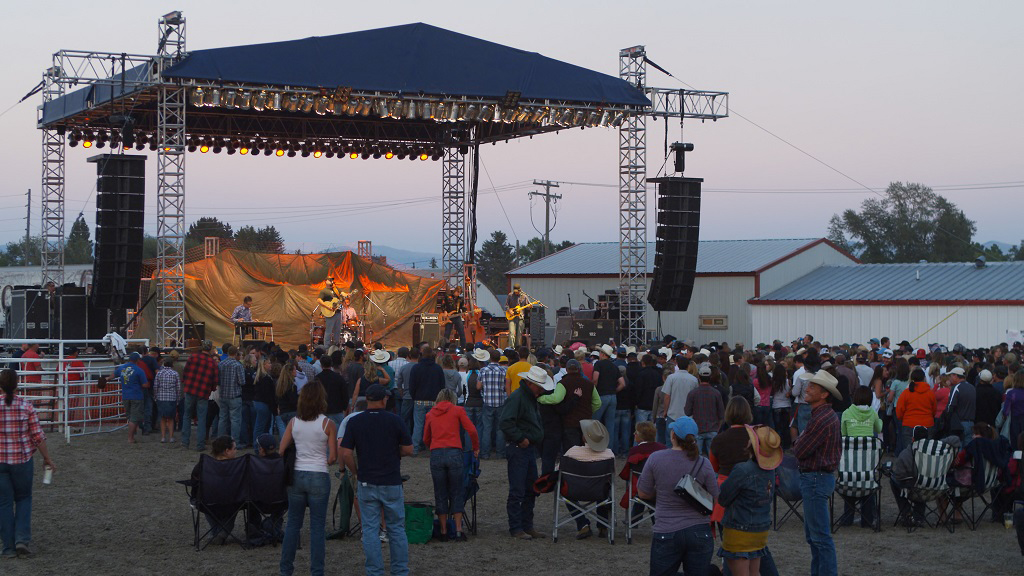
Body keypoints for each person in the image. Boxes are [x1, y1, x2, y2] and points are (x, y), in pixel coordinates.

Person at [340, 384, 412, 576]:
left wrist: (355, 472)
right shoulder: (395, 420)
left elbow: (346, 453)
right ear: (384, 399)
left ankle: (374, 571)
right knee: (396, 529)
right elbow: (408, 449)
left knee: (370, 530)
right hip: (391, 481)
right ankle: (400, 571)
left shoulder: (355, 422)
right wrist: (392, 453)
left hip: (366, 481)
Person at [637, 416, 719, 576]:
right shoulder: (703, 463)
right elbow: (716, 498)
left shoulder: (656, 458)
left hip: (666, 529)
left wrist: (661, 493)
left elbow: (643, 492)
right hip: (699, 530)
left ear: (672, 435)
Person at [279, 380, 337, 576]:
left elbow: (281, 450)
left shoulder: (293, 422)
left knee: (293, 524)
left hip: (296, 474)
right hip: (319, 474)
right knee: (317, 527)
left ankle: (286, 570)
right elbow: (332, 457)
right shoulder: (328, 424)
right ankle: (316, 571)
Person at [0, 368, 55, 559]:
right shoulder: (26, 405)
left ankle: (7, 547)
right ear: (17, 385)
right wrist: (47, 459)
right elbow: (38, 436)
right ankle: (21, 539)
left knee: (4, 503)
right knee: (24, 498)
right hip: (22, 460)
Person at [792, 370, 842, 576]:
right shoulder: (823, 416)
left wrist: (798, 442)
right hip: (818, 477)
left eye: (812, 387)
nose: (808, 389)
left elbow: (799, 450)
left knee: (819, 537)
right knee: (816, 537)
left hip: (815, 478)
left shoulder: (820, 419)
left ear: (824, 394)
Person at [718, 425, 782, 576]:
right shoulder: (770, 471)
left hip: (739, 531)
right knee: (754, 572)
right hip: (760, 531)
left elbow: (723, 498)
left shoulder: (742, 470)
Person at [500, 365, 553, 540]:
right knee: (518, 490)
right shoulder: (518, 398)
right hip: (519, 448)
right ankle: (517, 527)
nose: (541, 390)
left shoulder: (525, 396)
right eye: (540, 387)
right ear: (531, 384)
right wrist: (520, 438)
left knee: (530, 488)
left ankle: (525, 526)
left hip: (526, 447)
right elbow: (506, 422)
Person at [423, 388, 479, 541]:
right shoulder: (458, 410)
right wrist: (476, 448)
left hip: (437, 453)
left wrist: (433, 445)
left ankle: (443, 530)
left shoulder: (430, 414)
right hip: (454, 452)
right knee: (457, 491)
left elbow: (425, 438)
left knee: (440, 492)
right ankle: (459, 530)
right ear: (453, 399)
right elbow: (472, 430)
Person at [837, 386, 883, 528]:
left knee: (850, 479)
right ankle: (867, 518)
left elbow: (843, 434)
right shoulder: (873, 413)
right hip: (868, 463)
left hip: (849, 465)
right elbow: (879, 429)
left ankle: (848, 517)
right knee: (867, 481)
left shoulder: (846, 413)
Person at [562, 419, 615, 540]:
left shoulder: (572, 452)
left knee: (564, 490)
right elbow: (612, 476)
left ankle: (583, 524)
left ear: (584, 437)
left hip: (574, 490)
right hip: (599, 492)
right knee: (604, 487)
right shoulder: (609, 454)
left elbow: (560, 471)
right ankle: (603, 525)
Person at [190, 435, 240, 545]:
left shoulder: (203, 465)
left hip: (207, 503)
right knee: (236, 503)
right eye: (235, 448)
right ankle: (221, 534)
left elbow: (194, 482)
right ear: (227, 451)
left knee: (204, 499)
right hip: (231, 502)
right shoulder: (237, 466)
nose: (237, 451)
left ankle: (216, 533)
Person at [619, 420, 666, 522]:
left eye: (636, 432)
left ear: (641, 436)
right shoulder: (663, 449)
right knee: (647, 483)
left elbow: (626, 473)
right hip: (661, 486)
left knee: (638, 482)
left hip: (641, 488)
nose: (634, 434)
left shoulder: (634, 451)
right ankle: (636, 519)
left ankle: (634, 519)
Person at [182, 341, 220, 452]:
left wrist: (186, 382)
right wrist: (211, 388)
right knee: (202, 418)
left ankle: (185, 442)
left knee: (187, 416)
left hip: (190, 390)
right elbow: (215, 380)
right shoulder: (212, 363)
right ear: (210, 349)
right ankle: (200, 444)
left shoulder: (192, 358)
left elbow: (185, 372)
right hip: (203, 393)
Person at [409, 344, 445, 454]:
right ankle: (433, 448)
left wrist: (414, 396)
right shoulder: (438, 369)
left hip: (419, 399)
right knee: (433, 425)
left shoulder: (416, 368)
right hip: (434, 400)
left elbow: (412, 385)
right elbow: (442, 385)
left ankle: (415, 448)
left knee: (418, 425)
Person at [685, 363, 725, 455]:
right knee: (713, 458)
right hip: (712, 429)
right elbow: (721, 414)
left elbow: (687, 412)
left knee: (697, 458)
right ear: (710, 377)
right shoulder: (716, 393)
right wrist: (717, 429)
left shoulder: (693, 393)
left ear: (699, 377)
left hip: (698, 429)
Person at [895, 369, 936, 448]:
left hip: (909, 425)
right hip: (927, 424)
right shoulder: (930, 393)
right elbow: (934, 410)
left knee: (909, 452)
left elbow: (899, 411)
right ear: (924, 378)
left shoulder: (906, 393)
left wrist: (903, 419)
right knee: (926, 450)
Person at [478, 349, 508, 459]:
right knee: (500, 429)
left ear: (490, 358)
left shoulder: (483, 370)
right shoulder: (503, 371)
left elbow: (478, 386)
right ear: (499, 359)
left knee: (487, 428)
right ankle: (500, 453)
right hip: (500, 401)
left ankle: (485, 453)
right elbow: (506, 386)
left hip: (487, 401)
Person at [114, 352, 148, 444]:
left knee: (129, 416)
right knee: (134, 417)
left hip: (125, 395)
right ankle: (130, 437)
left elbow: (113, 375)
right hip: (136, 395)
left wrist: (106, 379)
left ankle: (132, 433)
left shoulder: (122, 368)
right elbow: (145, 384)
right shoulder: (139, 370)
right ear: (137, 360)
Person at [218, 345, 245, 447]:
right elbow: (242, 381)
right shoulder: (238, 365)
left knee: (222, 419)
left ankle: (220, 441)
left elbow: (218, 380)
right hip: (234, 395)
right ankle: (235, 442)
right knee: (235, 420)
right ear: (236, 353)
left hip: (223, 394)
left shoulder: (221, 364)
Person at [154, 358, 182, 444]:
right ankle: (171, 437)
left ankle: (163, 437)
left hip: (161, 397)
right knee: (170, 418)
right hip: (171, 398)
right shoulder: (175, 374)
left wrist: (155, 397)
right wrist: (178, 399)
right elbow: (178, 388)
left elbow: (155, 386)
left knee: (162, 418)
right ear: (172, 365)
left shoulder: (159, 373)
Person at [315, 354, 347, 429]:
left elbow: (314, 395)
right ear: (331, 364)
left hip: (322, 410)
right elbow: (344, 393)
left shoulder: (317, 379)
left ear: (321, 365)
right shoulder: (338, 378)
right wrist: (344, 407)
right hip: (337, 410)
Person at [946, 366, 976, 443]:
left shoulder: (956, 388)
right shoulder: (972, 387)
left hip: (959, 424)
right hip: (971, 423)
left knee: (958, 448)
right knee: (968, 449)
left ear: (956, 376)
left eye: (951, 375)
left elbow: (950, 406)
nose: (950, 378)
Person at [252, 357, 278, 445]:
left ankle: (262, 444)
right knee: (261, 426)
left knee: (262, 425)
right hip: (264, 404)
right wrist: (274, 407)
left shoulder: (260, 377)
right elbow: (268, 394)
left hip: (260, 403)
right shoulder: (265, 378)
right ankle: (258, 445)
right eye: (269, 363)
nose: (270, 365)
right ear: (264, 365)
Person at [318, 278, 343, 349]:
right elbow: (319, 300)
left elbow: (342, 293)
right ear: (325, 281)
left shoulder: (336, 289)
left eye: (332, 280)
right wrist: (327, 307)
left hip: (338, 312)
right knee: (329, 330)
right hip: (330, 313)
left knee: (337, 330)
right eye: (329, 280)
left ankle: (336, 345)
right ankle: (326, 347)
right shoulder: (324, 291)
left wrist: (348, 294)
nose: (331, 281)